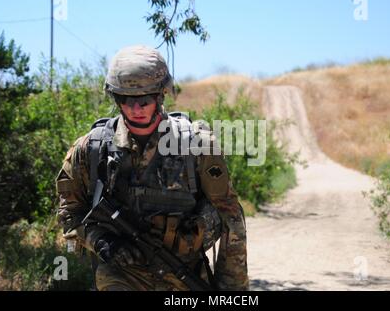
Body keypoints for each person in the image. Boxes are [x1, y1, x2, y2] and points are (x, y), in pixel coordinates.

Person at [55, 45, 249, 291]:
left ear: (161, 94)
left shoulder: (197, 144)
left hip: (183, 275)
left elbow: (231, 217)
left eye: (144, 100)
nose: (136, 109)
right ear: (116, 98)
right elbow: (69, 214)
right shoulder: (92, 149)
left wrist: (232, 289)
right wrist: (101, 241)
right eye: (126, 100)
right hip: (121, 276)